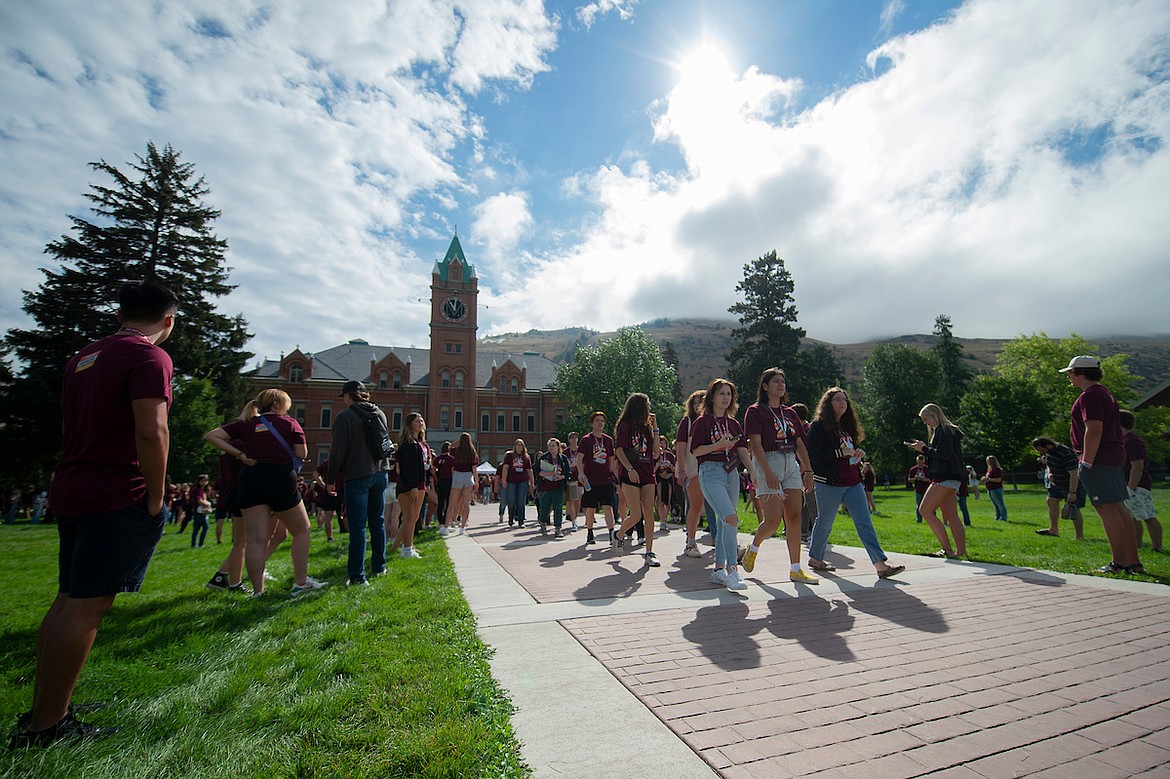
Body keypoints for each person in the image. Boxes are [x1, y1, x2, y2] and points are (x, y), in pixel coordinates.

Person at [13, 280, 177, 746]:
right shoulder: (150, 357)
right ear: (168, 321)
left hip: (74, 484)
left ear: (121, 313)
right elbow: (152, 431)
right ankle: (47, 727)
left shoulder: (84, 357)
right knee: (87, 607)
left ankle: (49, 707)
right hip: (115, 491)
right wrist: (155, 494)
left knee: (68, 597)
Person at [206, 389, 327, 597]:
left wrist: (240, 454)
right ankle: (300, 582)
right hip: (281, 479)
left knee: (255, 540)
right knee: (302, 530)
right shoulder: (290, 424)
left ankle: (257, 591)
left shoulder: (246, 423)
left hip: (251, 479)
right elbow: (302, 453)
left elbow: (212, 436)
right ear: (278, 404)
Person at [806, 387, 905, 579]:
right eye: (837, 400)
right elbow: (814, 457)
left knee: (864, 521)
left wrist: (858, 454)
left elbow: (851, 450)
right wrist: (840, 453)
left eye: (845, 400)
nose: (842, 403)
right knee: (825, 522)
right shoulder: (818, 427)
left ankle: (880, 565)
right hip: (829, 483)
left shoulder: (847, 426)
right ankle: (815, 558)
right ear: (828, 403)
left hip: (853, 482)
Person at [1061, 356, 1144, 574]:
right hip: (1113, 456)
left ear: (1081, 373)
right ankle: (1133, 562)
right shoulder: (1104, 393)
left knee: (1107, 508)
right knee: (1117, 507)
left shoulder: (1090, 396)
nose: (1069, 376)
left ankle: (1119, 562)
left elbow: (1094, 429)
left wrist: (1087, 461)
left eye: (1070, 372)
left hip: (1100, 459)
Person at [740, 368, 817, 584]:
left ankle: (795, 569)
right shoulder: (755, 411)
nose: (781, 385)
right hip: (768, 460)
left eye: (783, 381)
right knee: (773, 521)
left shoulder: (790, 413)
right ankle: (753, 547)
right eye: (775, 381)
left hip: (790, 462)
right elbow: (755, 443)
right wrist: (766, 472)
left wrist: (808, 470)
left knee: (794, 517)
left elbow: (800, 443)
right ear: (765, 386)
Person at [690, 379, 755, 591]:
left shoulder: (734, 423)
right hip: (711, 472)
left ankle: (718, 570)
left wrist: (753, 473)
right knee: (731, 518)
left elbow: (742, 450)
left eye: (729, 394)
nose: (726, 398)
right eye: (721, 394)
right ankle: (732, 570)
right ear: (712, 397)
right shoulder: (702, 422)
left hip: (732, 473)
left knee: (726, 521)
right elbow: (696, 450)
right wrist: (718, 445)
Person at [330, 380, 391, 587]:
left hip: (357, 475)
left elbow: (337, 452)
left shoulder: (344, 417)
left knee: (357, 527)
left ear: (348, 396)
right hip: (381, 473)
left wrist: (331, 479)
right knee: (378, 521)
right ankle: (379, 566)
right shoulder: (380, 413)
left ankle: (357, 576)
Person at [908, 403, 967, 558]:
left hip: (944, 477)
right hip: (952, 478)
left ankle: (947, 549)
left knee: (925, 510)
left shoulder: (943, 431)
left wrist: (924, 449)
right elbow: (945, 453)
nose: (925, 422)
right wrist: (925, 448)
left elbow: (943, 454)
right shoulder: (947, 431)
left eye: (926, 418)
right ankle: (960, 551)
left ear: (934, 415)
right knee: (951, 514)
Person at [613, 393, 662, 567]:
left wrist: (655, 428)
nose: (649, 408)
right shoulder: (625, 425)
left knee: (649, 512)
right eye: (647, 405)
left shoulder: (647, 428)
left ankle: (649, 551)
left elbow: (656, 452)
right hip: (630, 474)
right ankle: (619, 534)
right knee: (636, 514)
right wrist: (629, 468)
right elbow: (619, 451)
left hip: (647, 473)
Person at [206, 435, 251, 593]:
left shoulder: (226, 447)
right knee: (243, 543)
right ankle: (233, 582)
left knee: (240, 542)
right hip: (243, 491)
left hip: (230, 492)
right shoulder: (243, 443)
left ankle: (222, 578)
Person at [1120, 410, 1162, 552]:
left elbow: (1137, 466)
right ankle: (1136, 546)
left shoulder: (1132, 441)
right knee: (1133, 517)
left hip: (1138, 485)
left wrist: (1131, 488)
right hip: (1128, 485)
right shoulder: (1123, 440)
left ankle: (1157, 548)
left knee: (1148, 516)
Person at [388, 413, 427, 558]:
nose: (421, 423)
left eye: (421, 420)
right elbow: (408, 468)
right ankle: (407, 549)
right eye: (417, 421)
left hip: (418, 484)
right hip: (410, 486)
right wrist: (413, 487)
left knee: (411, 518)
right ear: (410, 424)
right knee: (410, 517)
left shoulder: (417, 443)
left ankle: (395, 548)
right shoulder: (409, 445)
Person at [576, 412, 617, 546]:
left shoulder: (608, 440)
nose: (600, 423)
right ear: (592, 423)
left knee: (608, 506)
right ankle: (589, 531)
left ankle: (611, 533)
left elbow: (611, 460)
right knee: (591, 508)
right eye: (597, 421)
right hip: (590, 479)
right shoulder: (586, 439)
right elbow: (579, 458)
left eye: (602, 421)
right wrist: (581, 473)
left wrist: (615, 475)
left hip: (605, 479)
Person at [1032, 436, 1085, 539]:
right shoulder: (1049, 453)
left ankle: (1079, 536)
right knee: (1051, 501)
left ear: (1048, 445)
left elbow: (1074, 474)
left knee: (1074, 509)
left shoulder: (1065, 453)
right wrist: (1050, 473)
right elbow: (1049, 466)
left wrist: (1072, 493)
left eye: (1042, 450)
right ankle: (1053, 530)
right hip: (1057, 484)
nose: (1042, 453)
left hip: (1071, 484)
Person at [676, 390, 708, 558]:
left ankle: (727, 541)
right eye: (694, 402)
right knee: (695, 505)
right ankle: (691, 542)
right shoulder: (687, 422)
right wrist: (681, 470)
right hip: (693, 470)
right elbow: (680, 448)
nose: (697, 406)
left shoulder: (713, 420)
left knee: (722, 506)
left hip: (713, 468)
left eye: (701, 402)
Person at [536, 438, 572, 539]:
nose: (551, 448)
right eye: (549, 446)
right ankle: (542, 522)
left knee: (558, 506)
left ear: (558, 447)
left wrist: (562, 476)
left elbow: (568, 472)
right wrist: (548, 473)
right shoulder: (544, 458)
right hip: (546, 486)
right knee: (545, 507)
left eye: (553, 445)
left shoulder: (563, 458)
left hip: (558, 486)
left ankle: (558, 528)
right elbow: (538, 472)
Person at [447, 433, 478, 535]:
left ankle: (447, 525)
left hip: (457, 475)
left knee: (452, 502)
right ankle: (462, 527)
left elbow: (450, 446)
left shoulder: (456, 450)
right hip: (468, 476)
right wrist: (476, 481)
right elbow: (474, 468)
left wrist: (458, 441)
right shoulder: (472, 452)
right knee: (466, 503)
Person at [501, 439, 535, 527]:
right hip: (511, 481)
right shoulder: (509, 456)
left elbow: (529, 470)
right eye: (518, 445)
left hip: (523, 481)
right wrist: (504, 480)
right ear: (515, 446)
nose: (520, 447)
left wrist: (532, 482)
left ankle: (521, 520)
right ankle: (511, 517)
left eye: (521, 445)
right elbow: (505, 468)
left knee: (521, 501)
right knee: (511, 501)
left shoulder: (526, 457)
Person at [654, 435, 677, 532]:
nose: (662, 445)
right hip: (660, 477)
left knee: (667, 500)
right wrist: (658, 467)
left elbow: (675, 468)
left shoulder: (670, 455)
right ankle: (662, 520)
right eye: (660, 443)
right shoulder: (655, 454)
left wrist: (671, 468)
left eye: (664, 443)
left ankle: (665, 518)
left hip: (668, 477)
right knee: (660, 499)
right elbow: (653, 469)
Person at [434, 441, 454, 531]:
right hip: (448, 481)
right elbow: (452, 471)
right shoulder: (451, 459)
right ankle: (446, 521)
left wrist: (436, 478)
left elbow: (433, 470)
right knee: (448, 503)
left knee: (440, 502)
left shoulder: (437, 459)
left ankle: (440, 522)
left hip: (439, 481)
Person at [188, 474, 213, 548]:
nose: (204, 483)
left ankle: (194, 544)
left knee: (197, 528)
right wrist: (208, 506)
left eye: (205, 481)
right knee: (205, 527)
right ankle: (200, 544)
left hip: (201, 510)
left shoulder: (204, 490)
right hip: (199, 511)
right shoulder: (197, 490)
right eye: (202, 481)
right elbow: (199, 500)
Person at [981, 455, 1008, 521]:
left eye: (988, 461)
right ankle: (998, 516)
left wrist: (988, 479)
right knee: (995, 504)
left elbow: (998, 480)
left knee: (1000, 503)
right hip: (990, 489)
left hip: (996, 489)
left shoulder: (996, 469)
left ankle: (1003, 517)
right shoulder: (989, 470)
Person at [565, 431, 582, 532]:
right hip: (571, 478)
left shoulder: (581, 450)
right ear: (569, 440)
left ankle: (575, 518)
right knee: (571, 499)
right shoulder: (566, 452)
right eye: (572, 438)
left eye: (576, 437)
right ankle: (573, 521)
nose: (574, 439)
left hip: (580, 478)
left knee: (578, 500)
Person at [907, 455, 930, 522]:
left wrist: (925, 479)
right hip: (918, 490)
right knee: (919, 505)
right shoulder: (913, 469)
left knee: (930, 505)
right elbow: (909, 479)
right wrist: (915, 478)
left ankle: (931, 520)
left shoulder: (927, 469)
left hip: (927, 490)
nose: (920, 464)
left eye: (921, 462)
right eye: (919, 462)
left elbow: (932, 479)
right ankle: (919, 520)